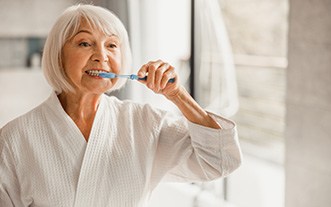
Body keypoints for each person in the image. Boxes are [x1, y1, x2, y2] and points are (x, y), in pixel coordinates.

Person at [0, 4, 242, 207]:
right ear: (58, 54)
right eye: (85, 43)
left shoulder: (146, 123)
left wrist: (178, 95)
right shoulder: (14, 138)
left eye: (112, 45)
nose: (102, 56)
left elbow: (220, 161)